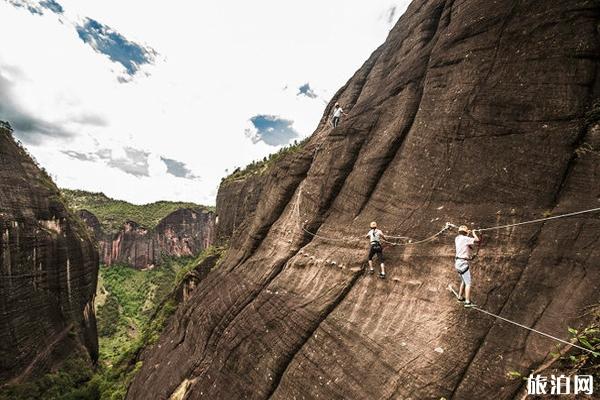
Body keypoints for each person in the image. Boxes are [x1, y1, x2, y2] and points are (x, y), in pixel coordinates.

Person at [454, 225, 480, 307]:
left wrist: (468, 233)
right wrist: (473, 233)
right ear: (466, 232)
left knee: (463, 281)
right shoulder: (465, 239)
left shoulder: (457, 238)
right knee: (468, 283)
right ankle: (467, 301)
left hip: (457, 262)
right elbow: (477, 240)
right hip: (462, 263)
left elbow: (465, 241)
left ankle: (460, 297)